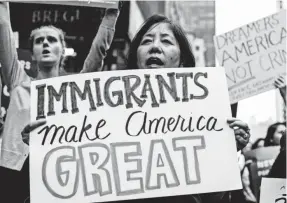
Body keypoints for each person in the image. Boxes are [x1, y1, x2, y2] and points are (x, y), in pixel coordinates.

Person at [123, 14, 251, 203]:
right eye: (147, 41)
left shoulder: (202, 120)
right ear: (136, 57)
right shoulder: (109, 117)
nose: (155, 46)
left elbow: (213, 198)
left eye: (166, 41)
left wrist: (225, 151)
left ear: (182, 61)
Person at [0, 2, 120, 202]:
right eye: (39, 41)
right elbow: (2, 27)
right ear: (32, 52)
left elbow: (98, 53)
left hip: (58, 174)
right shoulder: (18, 82)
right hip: (13, 172)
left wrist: (112, 12)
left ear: (62, 49)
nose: (45, 44)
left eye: (51, 40)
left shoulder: (74, 90)